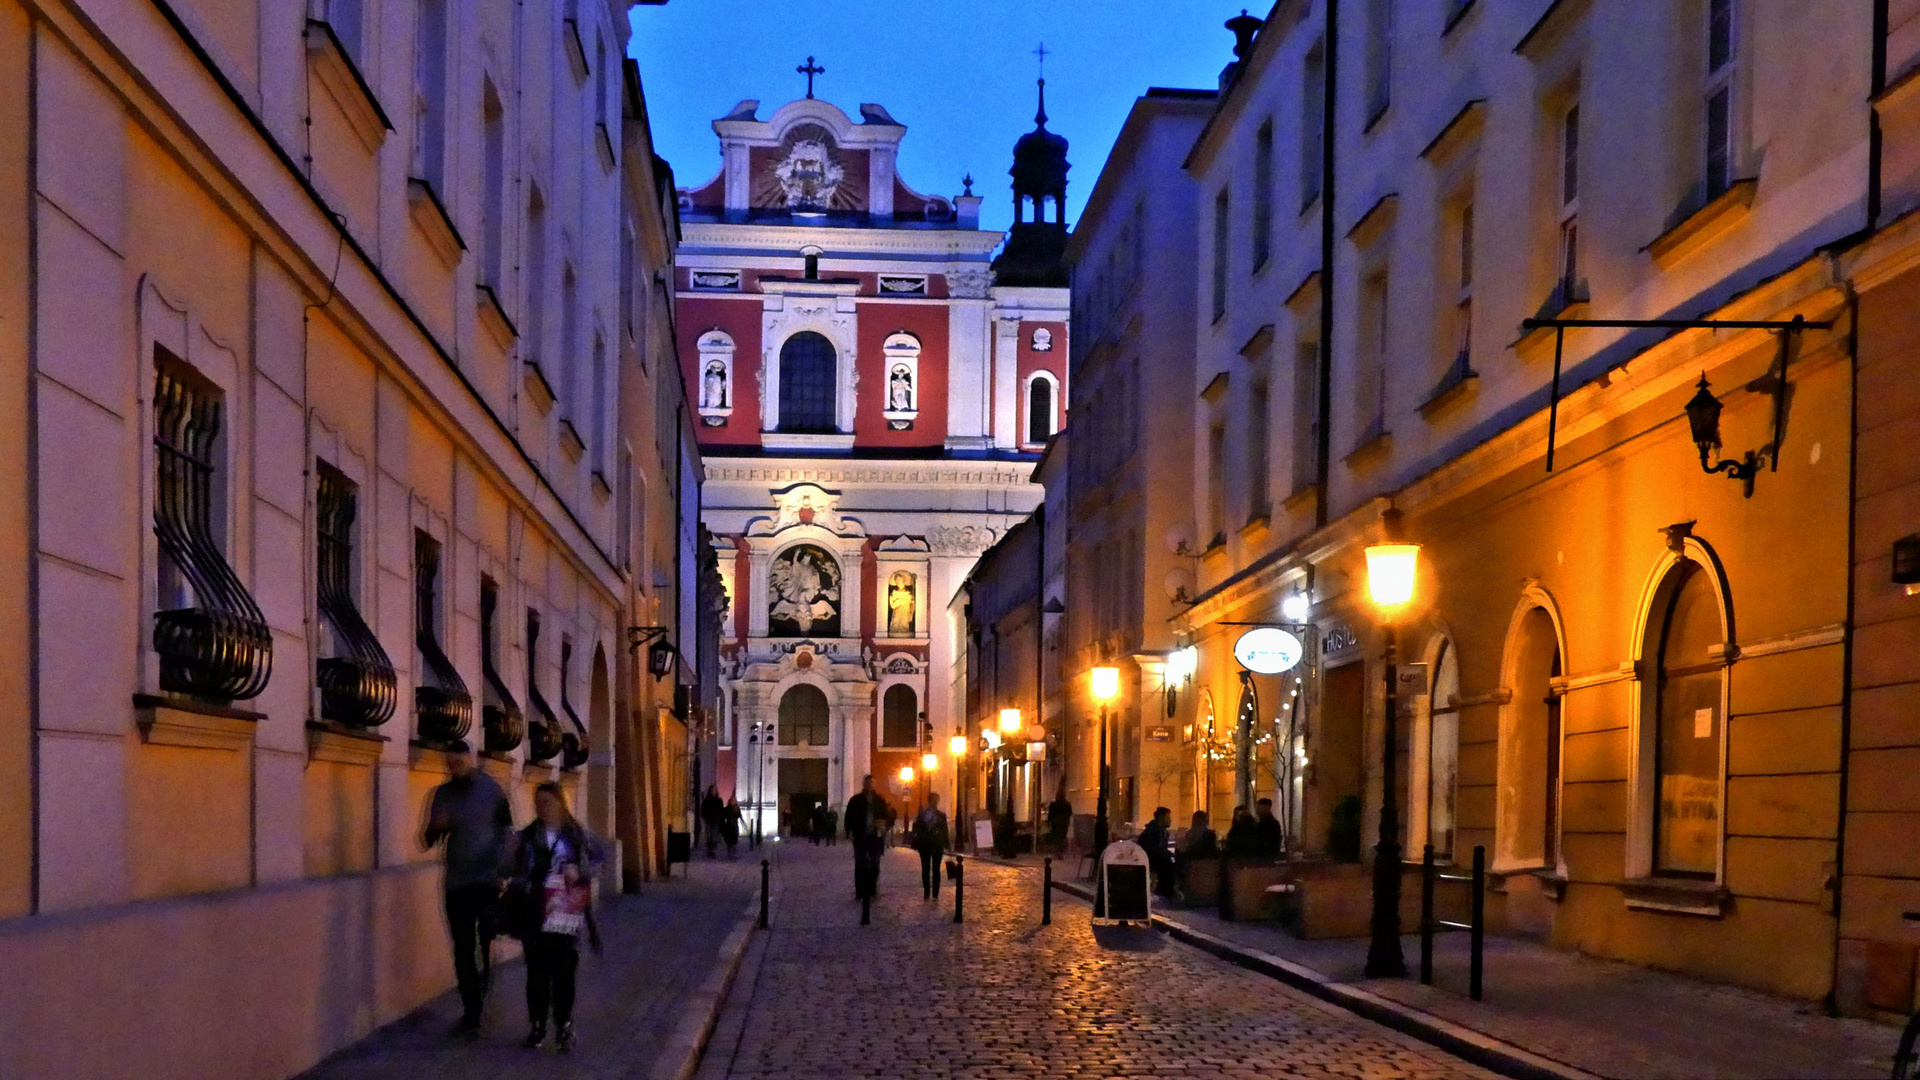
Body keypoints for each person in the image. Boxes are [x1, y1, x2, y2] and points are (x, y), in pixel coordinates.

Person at [421, 741, 513, 1039]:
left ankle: (481, 997)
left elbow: (507, 833)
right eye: (449, 763)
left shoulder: (492, 791)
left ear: (469, 759)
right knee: (462, 948)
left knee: (482, 944)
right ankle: (471, 1011)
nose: (453, 767)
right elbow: (427, 840)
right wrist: (436, 827)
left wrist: (502, 872)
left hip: (486, 882)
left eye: (458, 761)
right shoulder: (442, 795)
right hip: (457, 883)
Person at [507, 782, 605, 1055]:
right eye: (537, 803)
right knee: (537, 972)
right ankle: (537, 1025)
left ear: (561, 804)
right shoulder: (528, 836)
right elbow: (512, 869)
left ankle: (564, 1024)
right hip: (536, 913)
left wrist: (580, 871)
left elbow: (600, 860)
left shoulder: (577, 836)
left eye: (546, 803)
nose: (541, 808)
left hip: (566, 915)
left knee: (564, 972)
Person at [845, 775, 892, 900]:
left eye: (872, 783)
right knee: (860, 864)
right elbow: (849, 816)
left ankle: (872, 889)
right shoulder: (855, 800)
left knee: (875, 864)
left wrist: (883, 827)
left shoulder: (880, 800)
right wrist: (848, 831)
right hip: (860, 836)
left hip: (875, 838)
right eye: (868, 783)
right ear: (864, 784)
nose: (870, 785)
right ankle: (860, 891)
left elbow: (888, 817)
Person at [909, 793, 951, 900]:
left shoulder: (941, 816)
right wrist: (916, 839)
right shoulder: (922, 815)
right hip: (925, 845)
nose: (935, 803)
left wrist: (947, 844)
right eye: (934, 800)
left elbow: (944, 830)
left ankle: (935, 893)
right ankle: (926, 891)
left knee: (936, 869)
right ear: (929, 801)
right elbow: (917, 828)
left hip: (937, 844)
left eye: (937, 800)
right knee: (925, 869)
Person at [1176, 810, 1220, 895]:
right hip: (1209, 865)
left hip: (1191, 866)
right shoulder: (1210, 834)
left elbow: (1183, 849)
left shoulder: (1189, 834)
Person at [1137, 807, 1176, 897]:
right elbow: (1154, 850)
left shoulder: (1163, 831)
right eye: (1168, 817)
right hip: (1148, 859)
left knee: (1169, 862)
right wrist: (1169, 854)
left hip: (1153, 858)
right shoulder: (1154, 830)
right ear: (1162, 818)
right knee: (1168, 865)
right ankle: (1166, 891)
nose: (1170, 820)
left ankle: (1165, 890)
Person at [1047, 784, 1074, 857]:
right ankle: (1060, 852)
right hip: (1063, 824)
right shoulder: (1067, 804)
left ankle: (1057, 852)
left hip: (1055, 824)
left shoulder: (1053, 805)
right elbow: (1069, 813)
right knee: (1061, 838)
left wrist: (1049, 823)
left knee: (1056, 838)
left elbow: (1050, 815)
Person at [701, 785, 725, 857]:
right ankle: (710, 850)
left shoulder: (719, 800)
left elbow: (721, 810)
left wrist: (720, 818)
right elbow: (703, 809)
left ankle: (712, 849)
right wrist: (704, 817)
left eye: (714, 790)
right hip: (708, 819)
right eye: (712, 790)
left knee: (714, 835)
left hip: (715, 820)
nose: (713, 792)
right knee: (709, 835)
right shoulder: (706, 800)